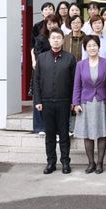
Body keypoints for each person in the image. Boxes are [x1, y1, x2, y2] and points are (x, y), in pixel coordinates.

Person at [33, 28, 76, 175]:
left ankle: (65, 162)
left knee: (64, 134)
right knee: (49, 135)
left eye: (59, 38)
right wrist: (38, 100)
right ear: (49, 40)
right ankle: (51, 162)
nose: (56, 40)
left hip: (64, 101)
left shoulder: (70, 58)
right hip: (46, 102)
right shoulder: (42, 58)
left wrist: (73, 101)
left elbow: (74, 82)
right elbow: (36, 80)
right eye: (53, 38)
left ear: (63, 40)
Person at [72, 35, 106, 174]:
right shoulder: (80, 64)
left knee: (102, 133)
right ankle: (91, 163)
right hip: (86, 103)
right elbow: (77, 85)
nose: (92, 48)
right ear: (85, 48)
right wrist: (75, 103)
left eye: (94, 45)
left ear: (99, 47)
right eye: (89, 46)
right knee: (87, 134)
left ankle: (100, 163)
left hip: (102, 102)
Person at [31, 15, 60, 135]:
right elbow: (37, 54)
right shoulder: (41, 38)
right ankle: (39, 127)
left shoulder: (60, 36)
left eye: (54, 23)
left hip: (57, 72)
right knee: (39, 99)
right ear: (46, 25)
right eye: (49, 23)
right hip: (43, 71)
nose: (51, 26)